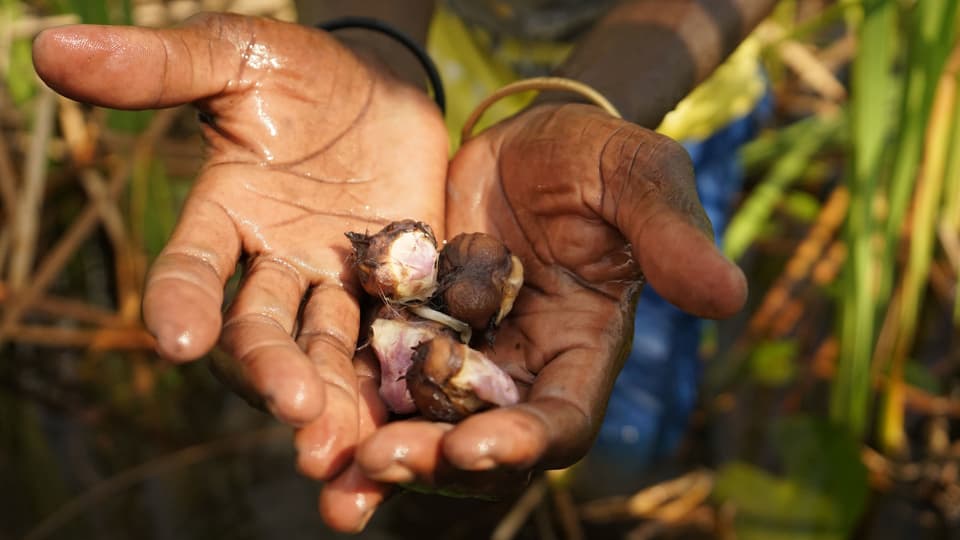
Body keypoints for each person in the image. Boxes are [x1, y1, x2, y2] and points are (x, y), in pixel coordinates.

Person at [31, 0, 774, 532]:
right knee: (442, 466)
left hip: (654, 112)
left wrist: (594, 109)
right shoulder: (424, 300)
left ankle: (608, 501)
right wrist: (369, 48)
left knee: (621, 433)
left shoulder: (463, 289)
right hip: (414, 86)